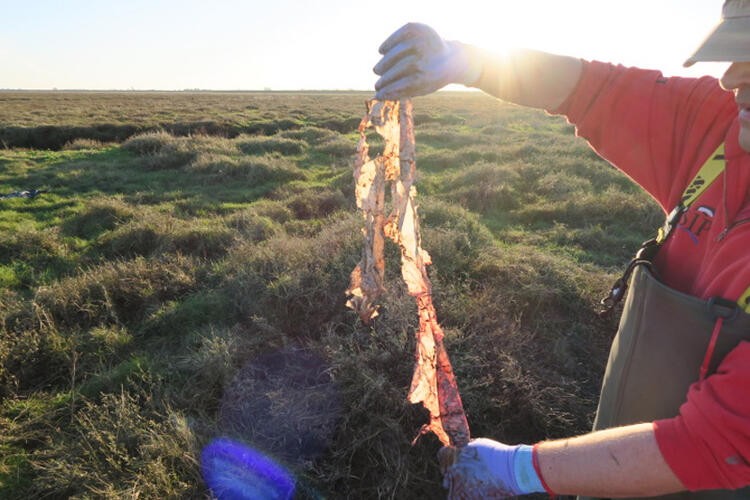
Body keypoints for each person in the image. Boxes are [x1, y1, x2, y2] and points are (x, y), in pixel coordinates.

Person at [374, 1, 750, 498]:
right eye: (736, 51)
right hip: (614, 473)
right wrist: (469, 61)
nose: (731, 77)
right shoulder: (721, 130)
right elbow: (593, 88)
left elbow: (717, 445)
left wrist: (516, 470)